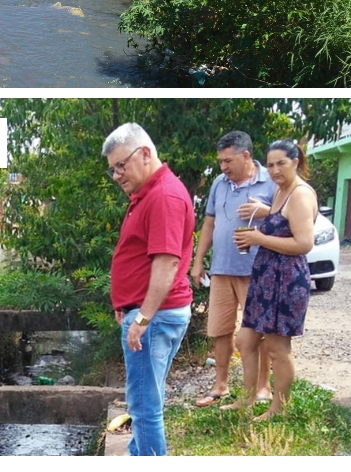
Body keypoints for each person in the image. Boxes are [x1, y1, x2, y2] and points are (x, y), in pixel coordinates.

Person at [103, 123, 195, 455]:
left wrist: (141, 317)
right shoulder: (150, 192)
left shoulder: (164, 196)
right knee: (145, 399)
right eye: (113, 169)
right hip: (149, 313)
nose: (116, 175)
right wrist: (126, 303)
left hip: (154, 318)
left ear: (144, 154)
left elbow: (167, 263)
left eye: (120, 166)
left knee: (144, 408)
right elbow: (142, 257)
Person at [228, 139, 317, 419]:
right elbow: (281, 224)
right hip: (266, 278)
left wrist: (259, 238)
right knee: (245, 340)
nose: (275, 170)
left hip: (286, 281)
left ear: (296, 162)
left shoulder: (300, 194)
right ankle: (247, 399)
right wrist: (256, 235)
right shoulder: (281, 191)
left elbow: (304, 244)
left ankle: (278, 408)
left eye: (281, 163)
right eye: (270, 165)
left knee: (278, 349)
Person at [190, 131, 275, 407]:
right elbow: (210, 223)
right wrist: (198, 260)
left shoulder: (271, 182)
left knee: (257, 330)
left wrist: (267, 211)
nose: (223, 167)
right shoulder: (219, 183)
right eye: (220, 162)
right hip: (222, 268)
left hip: (256, 270)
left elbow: (290, 219)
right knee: (220, 329)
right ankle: (221, 385)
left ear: (246, 155)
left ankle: (263, 387)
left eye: (228, 161)